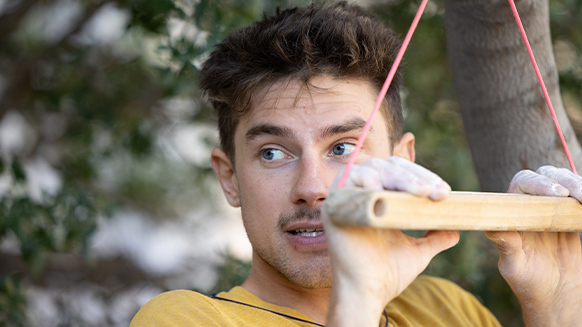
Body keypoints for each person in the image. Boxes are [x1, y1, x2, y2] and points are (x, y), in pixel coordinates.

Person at [130, 2, 582, 326]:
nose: (313, 187)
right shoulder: (185, 319)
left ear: (403, 161)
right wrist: (359, 298)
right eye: (272, 153)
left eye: (344, 147)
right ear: (229, 178)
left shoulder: (448, 311)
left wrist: (556, 306)